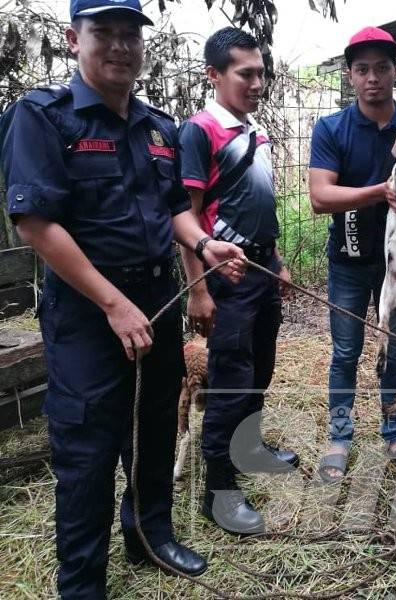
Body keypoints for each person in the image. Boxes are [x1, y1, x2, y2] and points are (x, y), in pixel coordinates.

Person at [0, 1, 248, 597]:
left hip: (156, 296)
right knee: (86, 444)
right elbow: (35, 223)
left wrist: (204, 244)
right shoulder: (43, 117)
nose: (119, 46)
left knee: (155, 423)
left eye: (130, 34)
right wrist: (112, 303)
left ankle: (149, 536)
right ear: (72, 39)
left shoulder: (157, 126)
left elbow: (169, 212)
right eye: (102, 33)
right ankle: (82, 583)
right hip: (88, 309)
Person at [308, 26, 396, 483]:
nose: (373, 78)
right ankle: (340, 436)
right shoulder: (332, 129)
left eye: (382, 68)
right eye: (363, 69)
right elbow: (319, 197)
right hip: (349, 260)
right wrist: (383, 190)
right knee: (345, 351)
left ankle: (393, 430)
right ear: (350, 76)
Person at [178, 27, 300, 535]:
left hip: (260, 270)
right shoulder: (200, 131)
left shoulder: (254, 131)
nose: (257, 82)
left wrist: (277, 260)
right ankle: (219, 492)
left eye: (261, 73)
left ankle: (249, 448)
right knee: (230, 382)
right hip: (223, 276)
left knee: (260, 370)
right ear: (215, 75)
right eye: (245, 73)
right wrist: (198, 289)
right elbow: (183, 216)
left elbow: (256, 207)